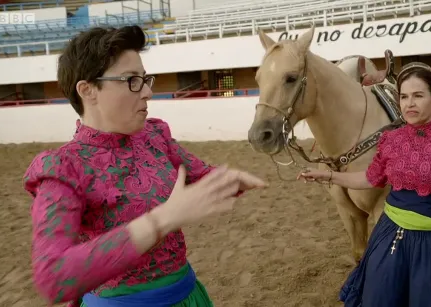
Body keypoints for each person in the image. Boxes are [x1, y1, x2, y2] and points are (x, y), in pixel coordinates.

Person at [23, 25, 267, 307]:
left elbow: (202, 177)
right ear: (88, 90)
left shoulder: (153, 136)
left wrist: (231, 180)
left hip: (188, 296)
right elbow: (53, 277)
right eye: (132, 80)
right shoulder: (63, 168)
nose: (148, 91)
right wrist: (163, 219)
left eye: (144, 79)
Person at [297, 65, 431, 307]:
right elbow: (370, 178)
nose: (410, 103)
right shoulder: (391, 139)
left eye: (418, 96)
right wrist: (328, 176)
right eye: (404, 96)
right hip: (389, 237)